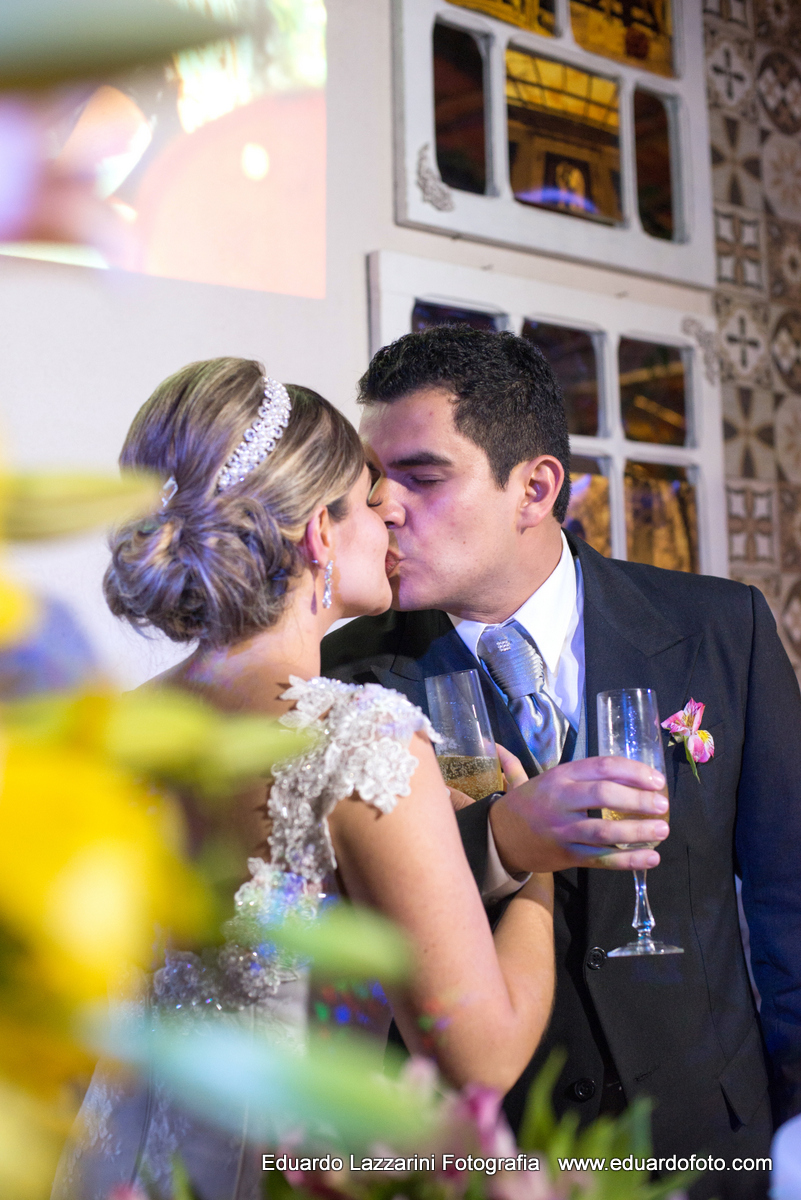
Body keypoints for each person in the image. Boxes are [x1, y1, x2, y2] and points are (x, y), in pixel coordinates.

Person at [53, 356, 571, 1200]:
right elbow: (483, 1053)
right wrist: (536, 860)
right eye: (370, 501)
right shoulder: (357, 739)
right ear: (319, 536)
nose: (390, 519)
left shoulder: (106, 736)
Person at [321, 325, 801, 1200]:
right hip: (487, 1161)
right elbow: (338, 926)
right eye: (374, 480)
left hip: (710, 1144)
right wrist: (501, 843)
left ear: (534, 487)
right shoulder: (342, 674)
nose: (387, 507)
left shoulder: (720, 628)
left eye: (423, 477)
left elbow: (791, 896)